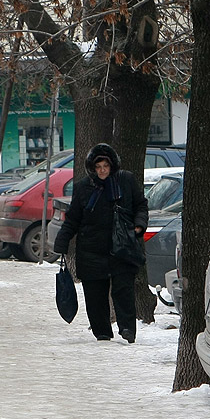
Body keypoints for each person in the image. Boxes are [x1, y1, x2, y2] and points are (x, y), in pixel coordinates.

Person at [52, 143, 148, 343]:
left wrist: (138, 226)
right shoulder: (83, 188)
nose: (103, 170)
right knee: (95, 295)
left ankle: (128, 329)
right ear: (92, 169)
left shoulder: (126, 181)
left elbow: (140, 205)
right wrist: (62, 240)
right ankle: (102, 333)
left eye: (106, 166)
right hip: (91, 249)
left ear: (112, 166)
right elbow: (73, 218)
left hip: (122, 247)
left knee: (124, 291)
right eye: (98, 167)